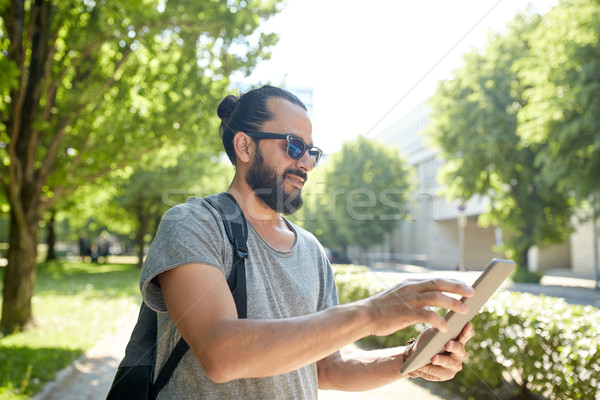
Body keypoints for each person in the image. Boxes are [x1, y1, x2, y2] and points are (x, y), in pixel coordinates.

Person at [140, 85, 475, 399]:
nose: (305, 164)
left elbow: (328, 369)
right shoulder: (193, 223)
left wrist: (411, 358)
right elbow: (221, 354)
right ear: (244, 146)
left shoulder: (311, 250)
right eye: (293, 146)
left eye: (311, 152)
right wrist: (370, 314)